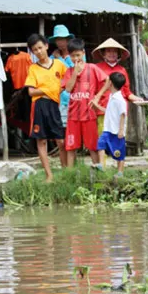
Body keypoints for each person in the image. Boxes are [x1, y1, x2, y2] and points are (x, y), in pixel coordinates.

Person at [25, 33, 67, 182]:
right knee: (41, 141)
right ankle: (49, 175)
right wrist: (49, 90)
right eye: (35, 50)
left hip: (54, 105)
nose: (39, 52)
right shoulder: (33, 69)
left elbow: (67, 82)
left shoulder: (59, 64)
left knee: (60, 140)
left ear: (47, 46)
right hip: (40, 105)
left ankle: (65, 172)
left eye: (40, 48)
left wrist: (56, 90)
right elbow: (31, 91)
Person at [61, 38, 107, 168]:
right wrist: (75, 72)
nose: (76, 58)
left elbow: (107, 80)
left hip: (89, 115)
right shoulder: (69, 72)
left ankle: (98, 170)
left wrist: (97, 96)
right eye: (73, 56)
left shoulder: (92, 68)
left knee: (93, 147)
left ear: (83, 53)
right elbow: (68, 89)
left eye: (78, 55)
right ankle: (69, 175)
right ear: (68, 56)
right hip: (73, 116)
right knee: (71, 147)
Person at [91, 38, 148, 135]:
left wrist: (138, 99)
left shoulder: (122, 70)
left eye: (114, 51)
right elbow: (92, 90)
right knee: (104, 141)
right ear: (103, 53)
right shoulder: (96, 68)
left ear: (118, 54)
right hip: (103, 111)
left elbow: (126, 92)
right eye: (109, 51)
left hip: (119, 112)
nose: (112, 53)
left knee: (119, 140)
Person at [94, 72, 127, 176]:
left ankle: (120, 172)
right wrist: (97, 106)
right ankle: (102, 165)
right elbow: (108, 110)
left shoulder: (119, 99)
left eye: (107, 81)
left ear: (110, 83)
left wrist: (121, 130)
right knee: (100, 144)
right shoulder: (111, 96)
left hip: (116, 130)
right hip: (108, 129)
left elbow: (122, 114)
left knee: (119, 152)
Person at [48, 24, 75, 130]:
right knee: (61, 128)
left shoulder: (76, 54)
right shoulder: (52, 57)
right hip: (59, 96)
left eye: (62, 39)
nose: (60, 42)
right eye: (58, 39)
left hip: (74, 95)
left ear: (68, 39)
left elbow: (75, 71)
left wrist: (61, 58)